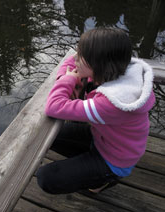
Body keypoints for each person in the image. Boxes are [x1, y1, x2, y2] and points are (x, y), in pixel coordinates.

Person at [36, 27, 155, 194]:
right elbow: (71, 61)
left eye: (82, 56)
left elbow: (54, 107)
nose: (76, 58)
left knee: (46, 177)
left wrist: (68, 79)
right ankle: (86, 166)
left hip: (114, 159)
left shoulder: (112, 102)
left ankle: (106, 179)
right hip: (103, 138)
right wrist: (69, 74)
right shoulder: (115, 70)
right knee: (49, 136)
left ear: (98, 64)